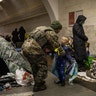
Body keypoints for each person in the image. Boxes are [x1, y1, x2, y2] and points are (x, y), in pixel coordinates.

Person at [22, 21, 65, 92]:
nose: (59, 32)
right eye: (59, 30)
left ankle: (39, 82)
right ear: (57, 28)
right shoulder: (51, 33)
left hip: (25, 47)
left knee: (34, 66)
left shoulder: (41, 28)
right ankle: (37, 86)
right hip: (34, 49)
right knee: (43, 67)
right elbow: (56, 46)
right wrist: (62, 53)